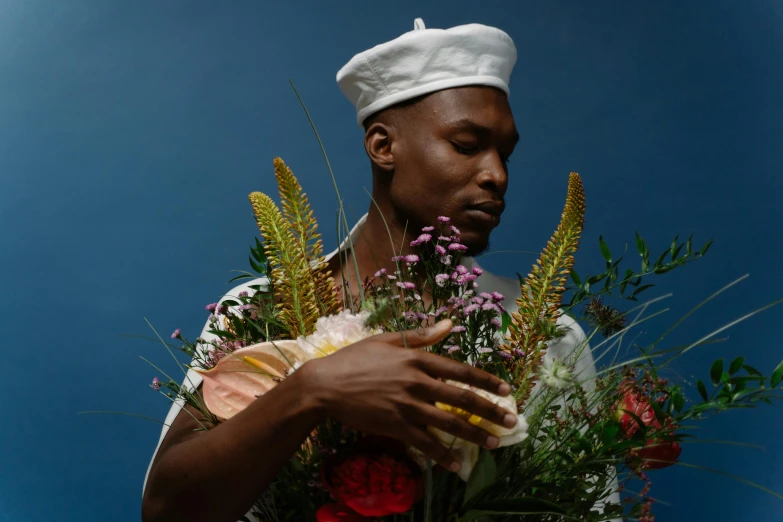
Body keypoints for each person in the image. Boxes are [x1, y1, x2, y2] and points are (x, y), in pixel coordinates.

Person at [141, 18, 621, 522]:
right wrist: (311, 390)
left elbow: (595, 510)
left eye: (504, 153)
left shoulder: (546, 337)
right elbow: (166, 511)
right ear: (383, 146)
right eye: (466, 144)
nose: (496, 174)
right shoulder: (263, 309)